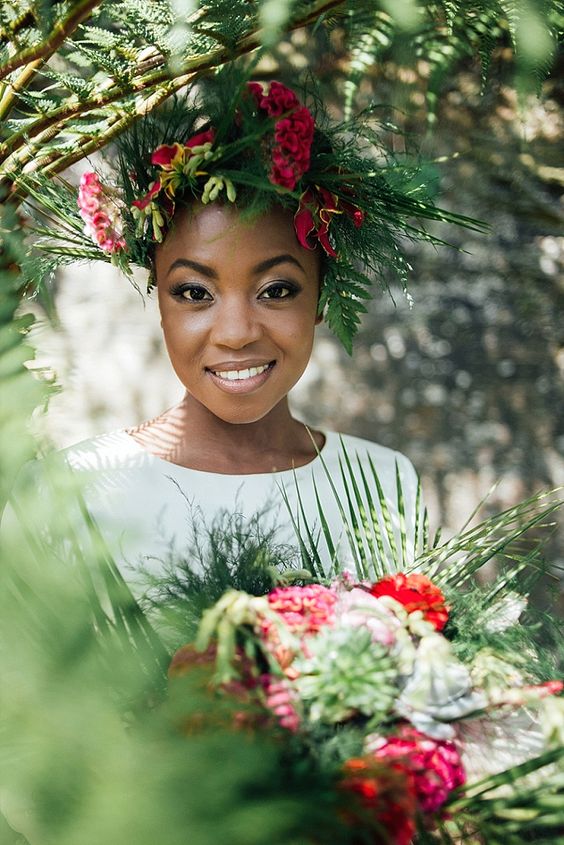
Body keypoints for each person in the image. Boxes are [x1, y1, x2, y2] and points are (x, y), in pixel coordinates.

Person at [9, 71, 473, 588]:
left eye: (276, 290)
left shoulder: (381, 484)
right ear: (159, 300)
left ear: (320, 297)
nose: (235, 333)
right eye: (193, 293)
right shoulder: (75, 490)